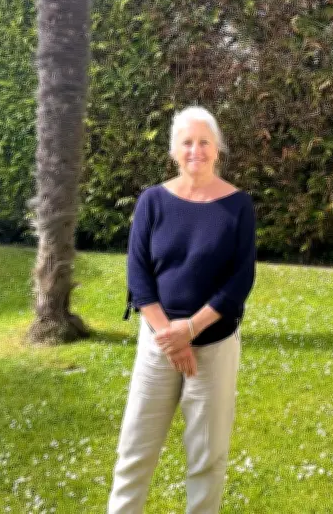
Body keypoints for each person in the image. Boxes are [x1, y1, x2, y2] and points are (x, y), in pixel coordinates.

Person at [108, 106, 257, 514]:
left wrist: (189, 330)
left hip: (214, 346)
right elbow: (138, 275)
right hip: (158, 345)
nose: (196, 151)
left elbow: (240, 280)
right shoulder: (152, 201)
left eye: (204, 142)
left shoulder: (238, 206)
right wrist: (169, 337)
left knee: (207, 458)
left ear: (217, 149)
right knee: (134, 452)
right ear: (174, 151)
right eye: (187, 143)